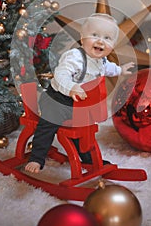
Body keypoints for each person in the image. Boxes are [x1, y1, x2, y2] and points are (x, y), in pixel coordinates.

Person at [25, 13, 135, 173]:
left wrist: (120, 70)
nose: (100, 41)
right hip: (57, 100)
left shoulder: (101, 60)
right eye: (95, 35)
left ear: (112, 45)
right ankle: (36, 157)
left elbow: (108, 68)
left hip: (80, 103)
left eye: (107, 38)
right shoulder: (75, 57)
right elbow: (61, 74)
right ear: (82, 38)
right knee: (48, 125)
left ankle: (88, 159)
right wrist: (71, 87)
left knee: (84, 130)